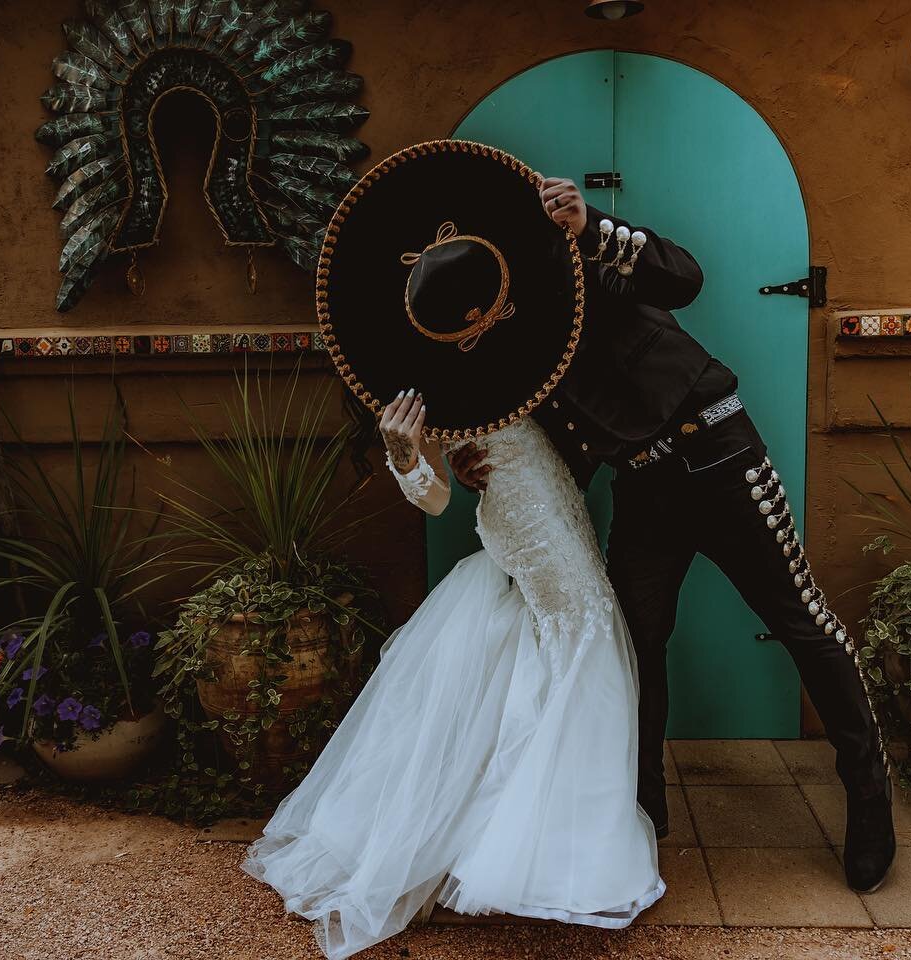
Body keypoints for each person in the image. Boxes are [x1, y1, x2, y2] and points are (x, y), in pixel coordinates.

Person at [244, 141, 664, 960]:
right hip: (518, 511)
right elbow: (437, 497)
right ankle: (541, 855)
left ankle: (512, 829)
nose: (483, 318)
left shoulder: (524, 341)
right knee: (578, 631)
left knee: (557, 643)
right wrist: (408, 458)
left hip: (553, 501)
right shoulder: (425, 387)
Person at [448, 176, 897, 894]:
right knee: (637, 643)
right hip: (644, 490)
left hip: (720, 456)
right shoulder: (502, 357)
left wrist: (591, 223)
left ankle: (870, 798)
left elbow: (683, 277)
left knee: (801, 619)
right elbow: (564, 445)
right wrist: (486, 468)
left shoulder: (568, 259)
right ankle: (642, 811)